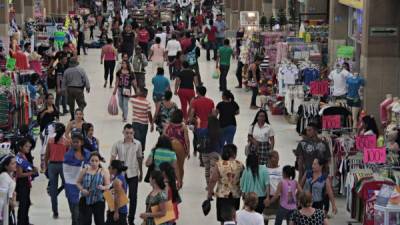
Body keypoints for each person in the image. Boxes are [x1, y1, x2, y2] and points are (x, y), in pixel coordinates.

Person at [110, 124, 143, 225]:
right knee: (119, 196)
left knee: (133, 197)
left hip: (133, 174)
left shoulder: (138, 144)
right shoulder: (117, 144)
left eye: (131, 133)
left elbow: (139, 158)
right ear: (123, 132)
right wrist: (111, 173)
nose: (129, 135)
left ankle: (131, 219)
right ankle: (120, 216)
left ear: (134, 133)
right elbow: (112, 158)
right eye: (127, 133)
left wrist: (141, 171)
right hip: (121, 174)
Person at [208, 144, 244, 224]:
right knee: (233, 218)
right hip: (235, 195)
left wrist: (209, 193)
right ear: (234, 153)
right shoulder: (240, 165)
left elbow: (213, 180)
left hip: (222, 195)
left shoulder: (219, 164)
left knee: (223, 218)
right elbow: (244, 179)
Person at [63, 134, 91, 225]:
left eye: (77, 142)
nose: (75, 144)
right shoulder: (68, 155)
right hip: (71, 186)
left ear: (82, 142)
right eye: (73, 142)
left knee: (83, 211)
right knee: (75, 212)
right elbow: (66, 173)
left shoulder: (88, 154)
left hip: (85, 186)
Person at [76, 152, 110, 225]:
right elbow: (78, 182)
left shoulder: (104, 171)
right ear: (89, 161)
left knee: (99, 222)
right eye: (92, 160)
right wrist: (82, 190)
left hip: (98, 200)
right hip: (85, 200)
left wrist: (103, 187)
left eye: (96, 161)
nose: (94, 163)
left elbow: (108, 185)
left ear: (99, 161)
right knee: (85, 221)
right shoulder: (84, 170)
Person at [44, 123, 70, 219]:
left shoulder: (50, 141)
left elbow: (47, 155)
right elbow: (69, 156)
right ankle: (72, 208)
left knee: (53, 190)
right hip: (63, 166)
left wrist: (46, 167)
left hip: (52, 166)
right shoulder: (67, 142)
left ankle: (55, 212)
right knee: (68, 186)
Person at [164, 109, 190, 185]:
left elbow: (164, 135)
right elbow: (187, 140)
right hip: (180, 147)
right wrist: (188, 150)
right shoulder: (183, 127)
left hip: (169, 146)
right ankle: (180, 182)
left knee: (169, 165)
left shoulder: (168, 125)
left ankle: (170, 181)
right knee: (180, 166)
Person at [15, 138, 38, 225]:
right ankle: (21, 222)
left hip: (26, 183)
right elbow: (19, 174)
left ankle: (25, 221)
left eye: (29, 146)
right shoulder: (19, 158)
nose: (29, 148)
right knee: (23, 204)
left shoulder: (24, 156)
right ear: (21, 147)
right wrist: (31, 173)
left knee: (27, 203)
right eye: (26, 146)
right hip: (22, 184)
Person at [202, 115, 223, 187]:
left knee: (207, 170)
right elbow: (221, 143)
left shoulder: (204, 131)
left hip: (205, 153)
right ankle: (212, 186)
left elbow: (198, 134)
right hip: (215, 152)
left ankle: (208, 185)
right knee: (213, 171)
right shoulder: (219, 131)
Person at [131, 88, 154, 152]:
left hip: (135, 122)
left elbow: (128, 96)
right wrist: (151, 124)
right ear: (146, 94)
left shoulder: (134, 100)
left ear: (140, 93)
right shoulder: (147, 103)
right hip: (144, 124)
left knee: (136, 138)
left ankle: (136, 151)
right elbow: (149, 114)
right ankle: (142, 151)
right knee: (143, 138)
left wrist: (136, 95)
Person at [106, 160, 129, 225]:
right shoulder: (119, 177)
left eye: (110, 167)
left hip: (118, 211)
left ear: (115, 169)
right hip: (117, 209)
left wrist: (116, 212)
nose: (108, 168)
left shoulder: (117, 181)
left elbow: (117, 197)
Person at [0, 154, 16, 225]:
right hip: (4, 208)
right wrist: (13, 202)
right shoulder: (4, 176)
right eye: (12, 163)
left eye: (15, 162)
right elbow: (4, 195)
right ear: (6, 166)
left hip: (8, 207)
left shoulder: (10, 175)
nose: (15, 165)